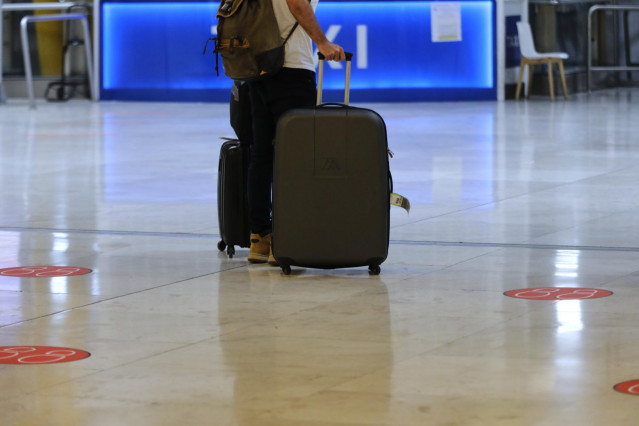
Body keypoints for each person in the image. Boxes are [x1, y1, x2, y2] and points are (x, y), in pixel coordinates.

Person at [246, 0, 345, 264]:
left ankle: (260, 238)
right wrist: (322, 42)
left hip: (259, 67)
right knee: (295, 158)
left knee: (262, 155)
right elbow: (297, 4)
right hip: (291, 69)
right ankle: (286, 240)